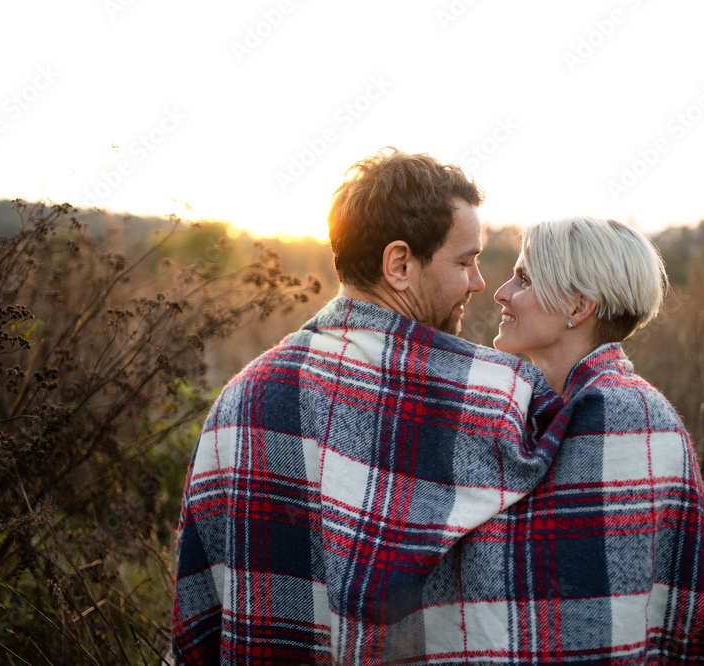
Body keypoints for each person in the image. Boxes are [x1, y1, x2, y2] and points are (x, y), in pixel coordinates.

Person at [170, 148, 566, 664]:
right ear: (399, 264)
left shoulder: (239, 400)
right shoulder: (497, 396)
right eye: (465, 261)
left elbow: (198, 615)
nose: (478, 282)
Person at [492, 216, 704, 664]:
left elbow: (610, 609)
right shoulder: (535, 407)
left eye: (524, 278)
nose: (501, 292)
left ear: (578, 307)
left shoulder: (627, 413)